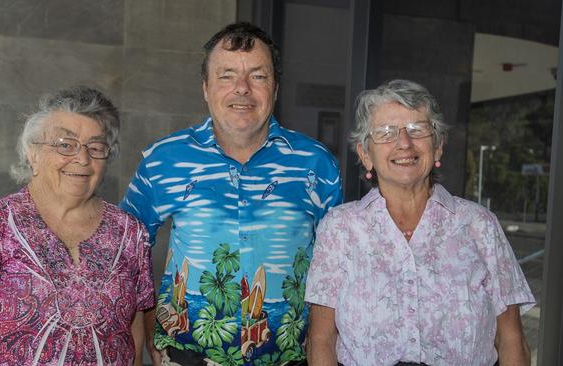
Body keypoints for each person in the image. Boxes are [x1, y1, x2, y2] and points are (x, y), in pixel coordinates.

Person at [120, 22, 343, 366]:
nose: (242, 89)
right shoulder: (164, 160)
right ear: (206, 88)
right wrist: (151, 332)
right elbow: (126, 256)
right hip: (185, 357)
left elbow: (339, 270)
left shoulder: (317, 164)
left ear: (276, 88)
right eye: (226, 76)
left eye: (257, 76)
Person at [305, 79, 535, 366]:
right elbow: (321, 340)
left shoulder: (480, 225)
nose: (404, 143)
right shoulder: (339, 228)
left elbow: (512, 340)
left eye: (417, 129)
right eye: (386, 133)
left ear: (437, 147)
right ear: (366, 155)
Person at [0, 86, 154, 366]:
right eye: (65, 145)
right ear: (32, 153)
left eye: (96, 147)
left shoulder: (131, 232)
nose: (82, 158)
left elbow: (133, 333)